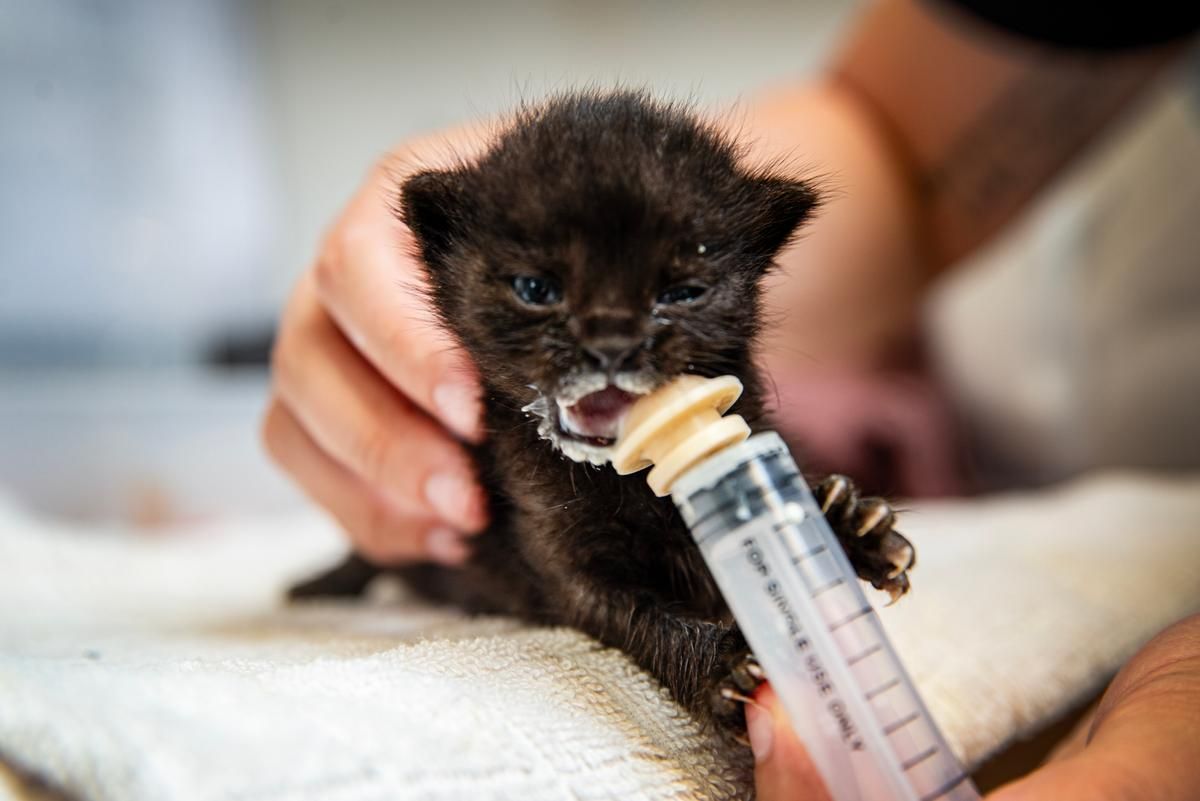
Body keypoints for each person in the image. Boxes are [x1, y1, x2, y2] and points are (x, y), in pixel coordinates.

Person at [262, 0, 1199, 796]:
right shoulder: (505, 423)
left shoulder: (725, 396)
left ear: (755, 260)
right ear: (438, 249)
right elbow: (587, 580)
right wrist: (702, 658)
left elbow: (732, 531)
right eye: (540, 291)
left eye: (676, 292)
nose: (614, 341)